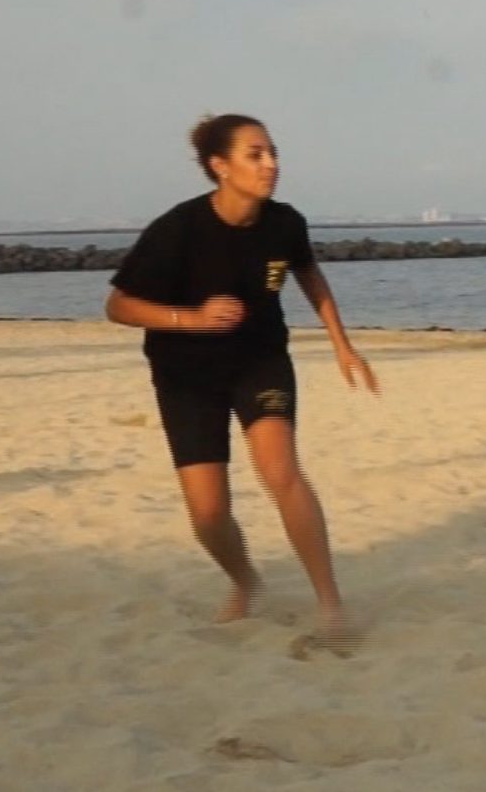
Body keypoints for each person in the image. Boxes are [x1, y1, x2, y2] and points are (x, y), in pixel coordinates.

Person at [102, 114, 376, 644]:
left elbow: (309, 274)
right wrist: (191, 319)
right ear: (220, 166)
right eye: (255, 154)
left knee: (282, 472)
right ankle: (247, 582)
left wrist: (342, 345)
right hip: (186, 375)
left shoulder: (285, 223)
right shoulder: (178, 229)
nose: (271, 164)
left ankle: (331, 606)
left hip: (259, 360)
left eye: (273, 153)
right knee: (208, 513)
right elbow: (118, 305)